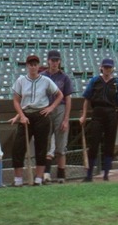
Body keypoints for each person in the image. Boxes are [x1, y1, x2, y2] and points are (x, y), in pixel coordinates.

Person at [10, 54, 63, 186]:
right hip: (26, 115)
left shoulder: (45, 80)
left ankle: (38, 178)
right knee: (18, 147)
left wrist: (51, 108)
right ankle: (18, 180)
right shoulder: (21, 80)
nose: (33, 67)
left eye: (35, 64)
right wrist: (21, 115)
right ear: (27, 66)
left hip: (41, 115)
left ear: (38, 66)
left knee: (41, 147)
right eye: (30, 64)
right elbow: (16, 100)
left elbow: (59, 95)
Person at [80, 58, 118, 182]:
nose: (107, 69)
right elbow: (86, 99)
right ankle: (89, 175)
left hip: (111, 113)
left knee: (109, 143)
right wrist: (84, 115)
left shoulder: (116, 83)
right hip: (97, 113)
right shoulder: (95, 81)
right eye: (105, 67)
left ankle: (106, 174)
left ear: (112, 69)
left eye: (109, 67)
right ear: (101, 67)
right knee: (94, 143)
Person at [43, 50, 74, 183]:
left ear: (59, 61)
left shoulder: (64, 77)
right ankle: (46, 174)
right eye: (52, 60)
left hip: (60, 109)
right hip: (45, 108)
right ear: (48, 61)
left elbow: (68, 99)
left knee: (61, 144)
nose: (54, 63)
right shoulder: (42, 76)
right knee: (45, 142)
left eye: (56, 60)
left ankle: (61, 174)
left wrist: (66, 119)